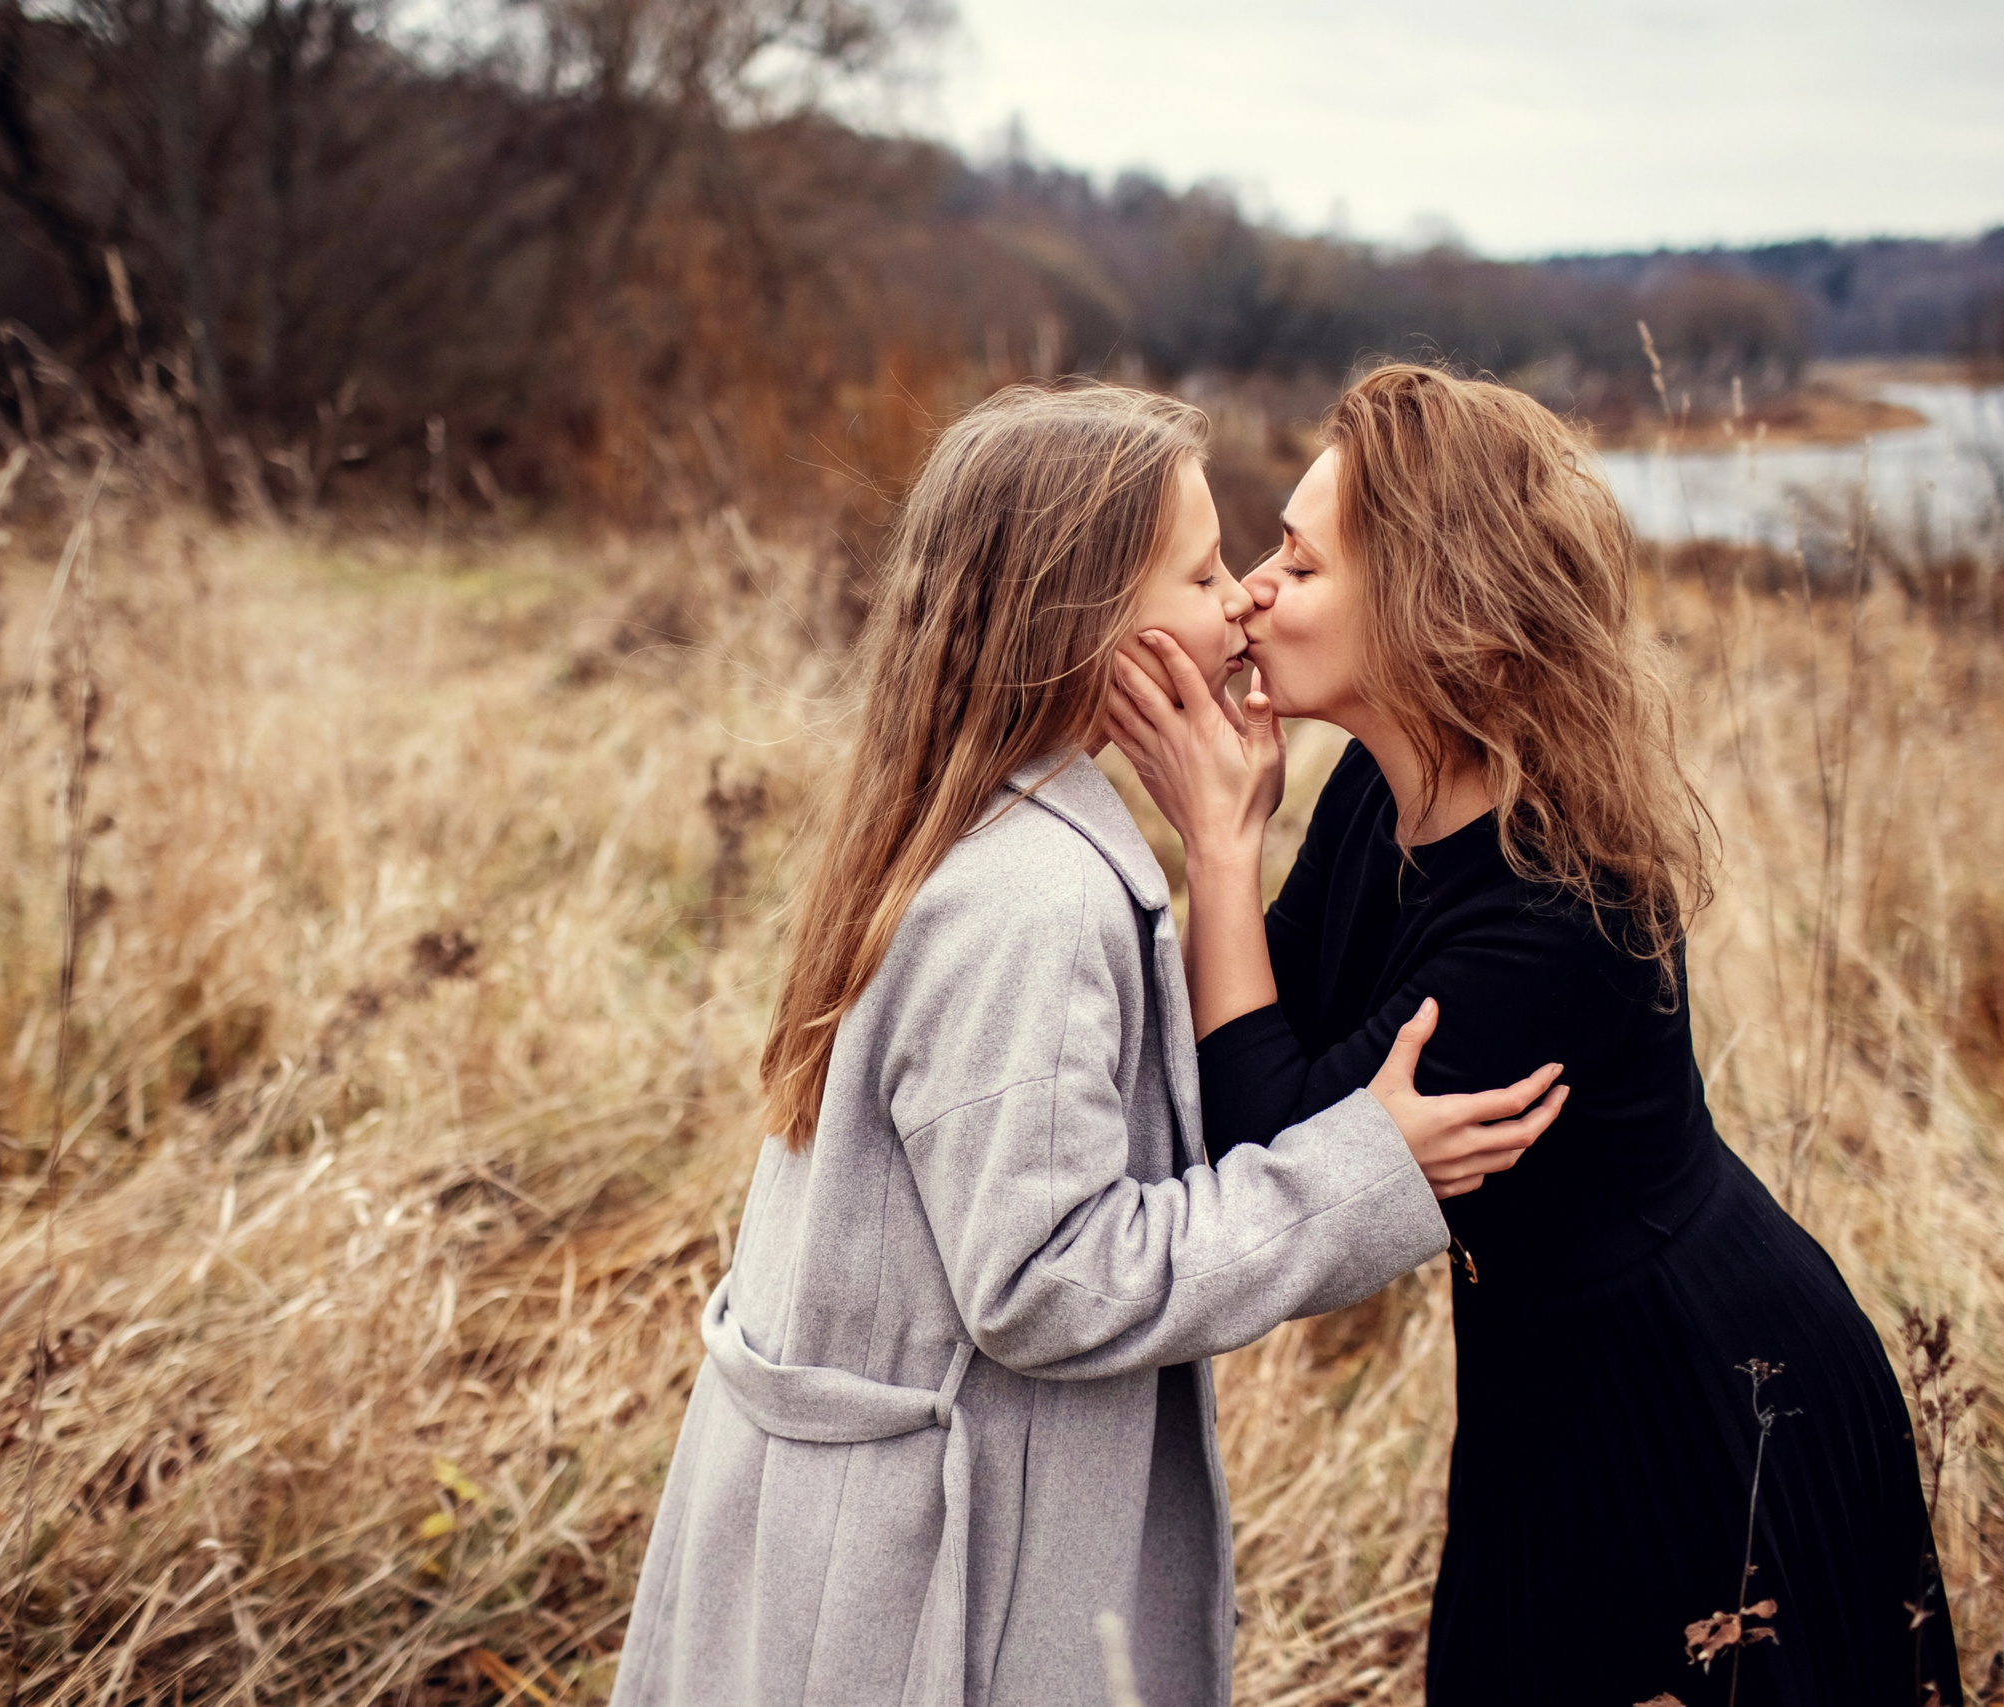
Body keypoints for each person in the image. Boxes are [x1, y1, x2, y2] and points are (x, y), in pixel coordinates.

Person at [608, 381, 1567, 1707]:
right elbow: (1042, 1278)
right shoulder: (1035, 902)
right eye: (1201, 569)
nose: (1240, 596)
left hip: (862, 1552)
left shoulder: (979, 830)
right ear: (1082, 625)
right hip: (926, 1601)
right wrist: (1366, 1172)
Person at [1106, 363, 1964, 1707]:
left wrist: (1219, 850)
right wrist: (1239, 854)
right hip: (1543, 1379)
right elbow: (1260, 1070)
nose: (1257, 588)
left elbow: (1276, 1146)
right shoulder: (1380, 801)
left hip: (1695, 1395)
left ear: (1439, 616)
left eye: (1301, 562)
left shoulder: (1558, 909)